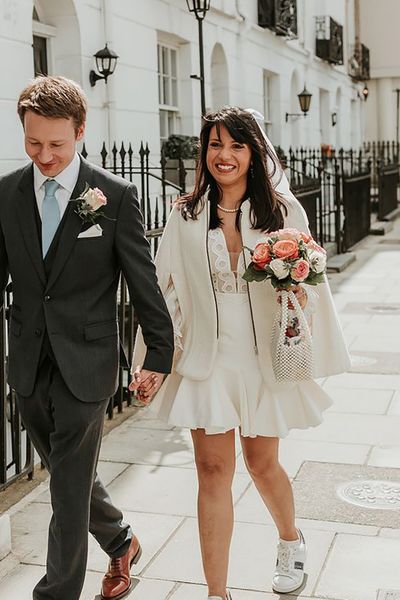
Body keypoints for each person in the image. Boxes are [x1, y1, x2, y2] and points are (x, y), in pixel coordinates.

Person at [132, 106, 350, 600]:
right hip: (207, 358)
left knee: (260, 463)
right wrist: (153, 360)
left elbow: (313, 285)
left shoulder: (283, 211)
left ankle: (291, 540)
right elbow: (162, 290)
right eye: (215, 145)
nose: (224, 155)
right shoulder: (184, 213)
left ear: (254, 153)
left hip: (263, 359)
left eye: (236, 145)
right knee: (212, 471)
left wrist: (294, 289)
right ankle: (216, 592)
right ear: (204, 152)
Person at [0, 75, 174, 600]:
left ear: (80, 131)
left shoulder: (115, 197)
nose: (45, 156)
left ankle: (56, 592)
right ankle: (121, 541)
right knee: (66, 473)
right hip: (29, 359)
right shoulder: (6, 194)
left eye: (56, 144)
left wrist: (158, 356)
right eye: (34, 143)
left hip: (89, 361)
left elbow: (142, 282)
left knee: (67, 490)